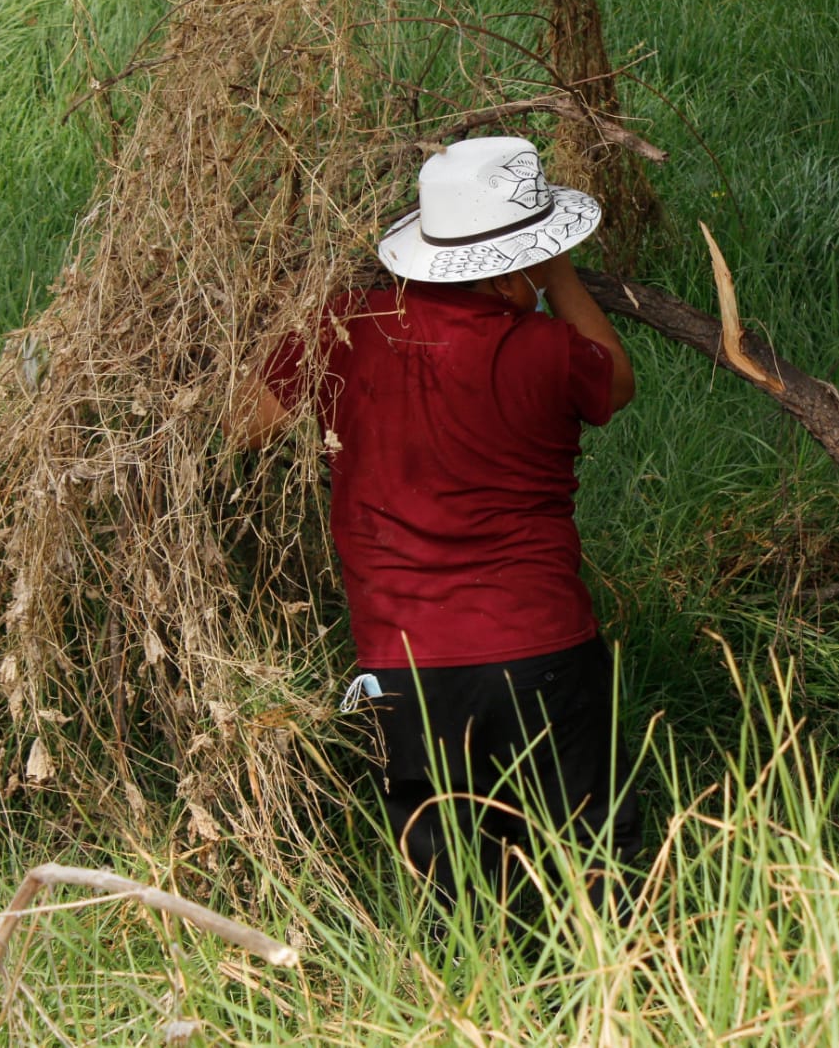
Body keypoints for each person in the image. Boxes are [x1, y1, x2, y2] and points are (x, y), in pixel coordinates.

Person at [229, 135, 642, 919]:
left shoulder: (344, 330)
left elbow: (242, 422)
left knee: (451, 890)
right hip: (543, 652)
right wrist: (559, 275)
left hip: (405, 667)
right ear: (520, 263)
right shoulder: (550, 351)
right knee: (590, 869)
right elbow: (617, 380)